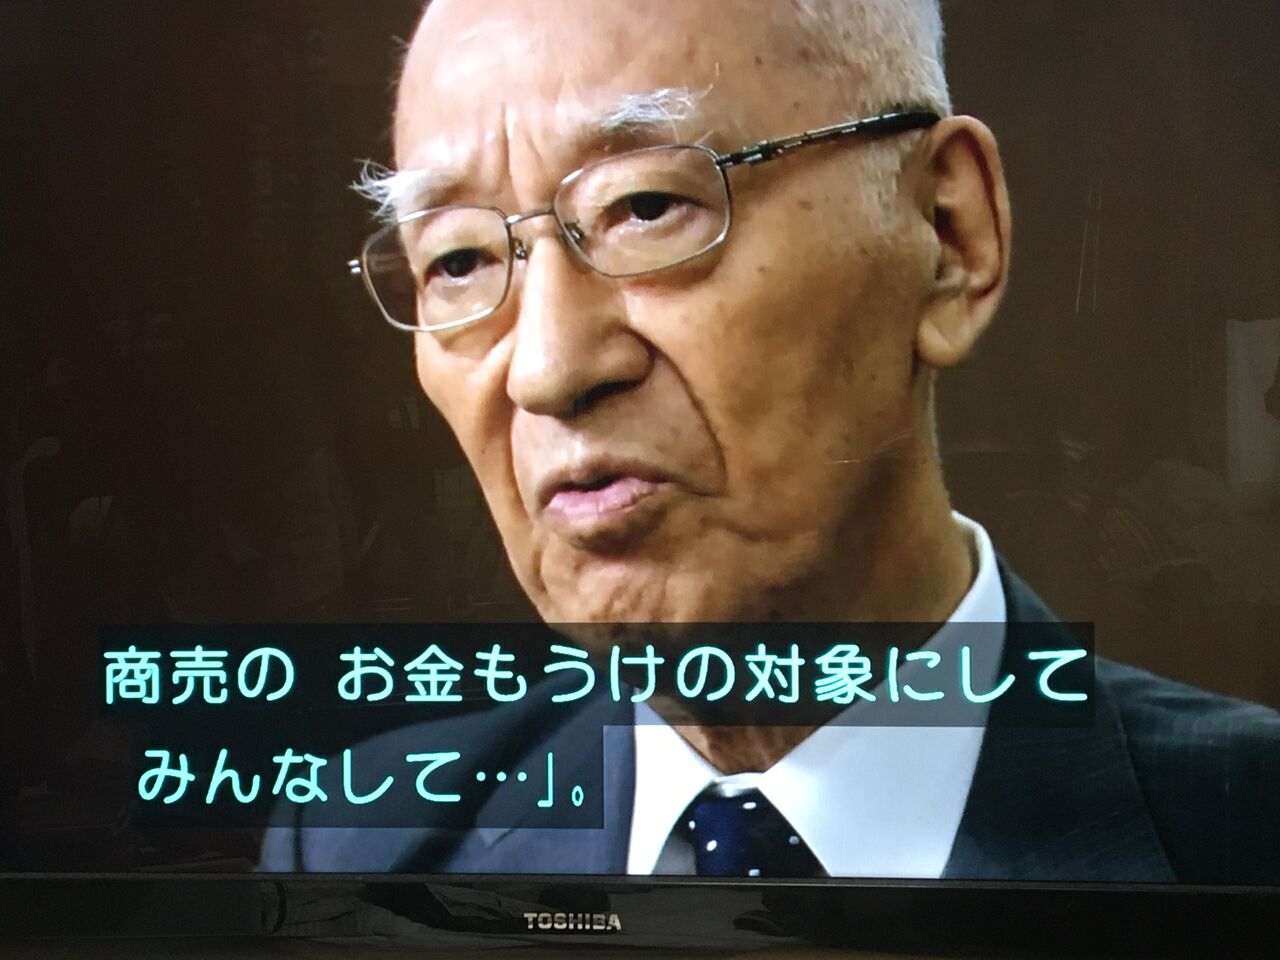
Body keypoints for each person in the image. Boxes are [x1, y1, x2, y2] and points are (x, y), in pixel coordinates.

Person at [259, 0, 1280, 882]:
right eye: (458, 262)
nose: (547, 369)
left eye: (644, 207)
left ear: (946, 235)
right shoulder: (361, 845)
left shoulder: (1242, 843)